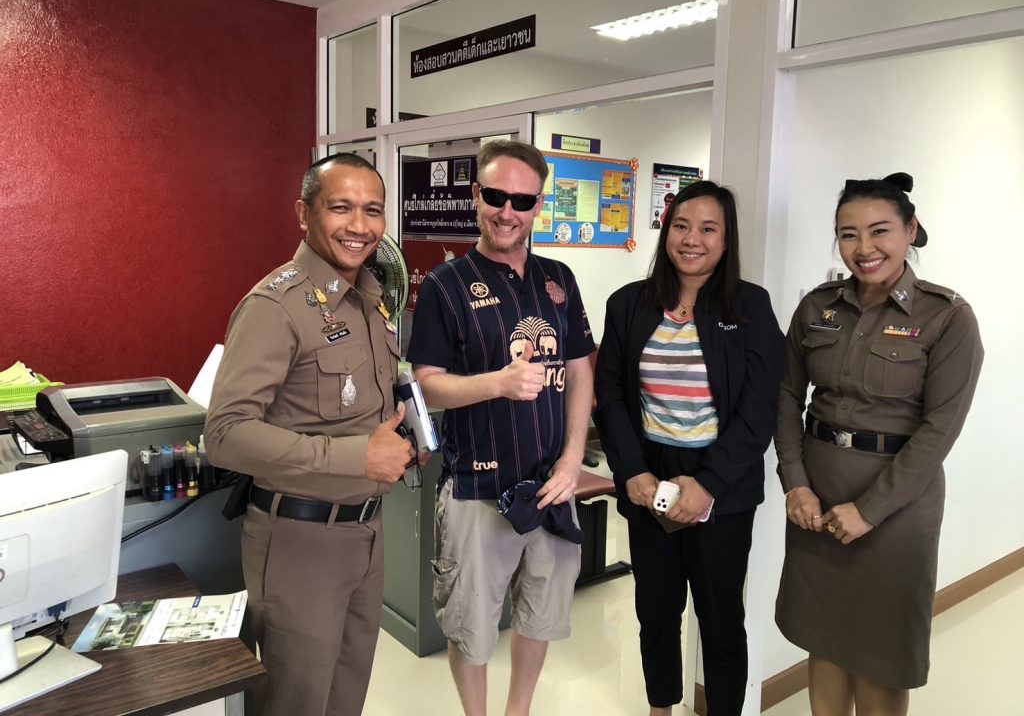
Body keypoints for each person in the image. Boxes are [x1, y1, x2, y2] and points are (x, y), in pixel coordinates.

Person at [205, 153, 425, 716]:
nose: (359, 226)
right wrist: (358, 457)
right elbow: (225, 434)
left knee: (345, 698)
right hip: (299, 541)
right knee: (296, 703)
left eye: (373, 210)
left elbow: (362, 409)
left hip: (366, 535)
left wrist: (404, 445)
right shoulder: (274, 306)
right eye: (341, 207)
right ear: (304, 214)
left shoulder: (370, 300)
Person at [774, 174, 983, 716]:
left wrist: (870, 509)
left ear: (911, 230)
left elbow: (939, 430)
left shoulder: (947, 316)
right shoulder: (817, 307)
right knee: (824, 638)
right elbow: (786, 395)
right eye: (849, 234)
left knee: (881, 653)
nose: (864, 248)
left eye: (880, 230)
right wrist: (795, 483)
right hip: (816, 500)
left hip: (897, 510)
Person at [406, 139, 595, 716]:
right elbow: (427, 385)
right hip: (477, 490)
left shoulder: (559, 279)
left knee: (540, 616)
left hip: (552, 487)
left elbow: (581, 370)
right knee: (471, 628)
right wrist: (499, 383)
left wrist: (572, 460)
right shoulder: (446, 285)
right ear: (475, 195)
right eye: (496, 196)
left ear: (539, 205)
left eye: (523, 200)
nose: (507, 212)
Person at [594, 180, 785, 716]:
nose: (692, 239)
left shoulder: (750, 306)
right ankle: (660, 708)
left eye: (708, 229)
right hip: (648, 476)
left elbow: (760, 407)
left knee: (721, 618)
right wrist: (632, 470)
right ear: (667, 230)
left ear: (727, 239)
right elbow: (610, 393)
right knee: (655, 611)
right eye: (681, 226)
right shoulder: (628, 303)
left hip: (722, 481)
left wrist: (709, 484)